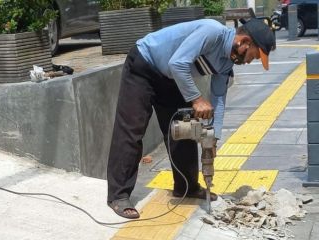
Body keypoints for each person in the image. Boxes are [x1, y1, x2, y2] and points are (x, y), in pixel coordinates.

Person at [107, 18, 275, 219]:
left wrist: (214, 137)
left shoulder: (226, 61)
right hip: (144, 66)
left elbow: (219, 97)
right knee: (131, 130)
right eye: (253, 56)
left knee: (184, 130)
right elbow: (177, 63)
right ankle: (118, 195)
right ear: (245, 42)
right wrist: (196, 99)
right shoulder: (212, 32)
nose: (250, 61)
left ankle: (187, 187)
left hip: (171, 78)